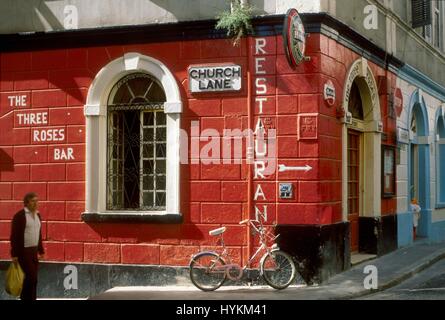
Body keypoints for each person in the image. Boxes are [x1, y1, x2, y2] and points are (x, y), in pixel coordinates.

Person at [10, 192, 45, 300]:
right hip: (23, 252)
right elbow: (14, 236)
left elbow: (39, 234)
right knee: (32, 277)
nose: (36, 203)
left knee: (32, 279)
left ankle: (28, 298)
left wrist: (41, 250)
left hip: (33, 251)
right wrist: (14, 254)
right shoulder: (19, 216)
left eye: (37, 201)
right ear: (26, 203)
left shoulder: (38, 215)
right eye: (33, 201)